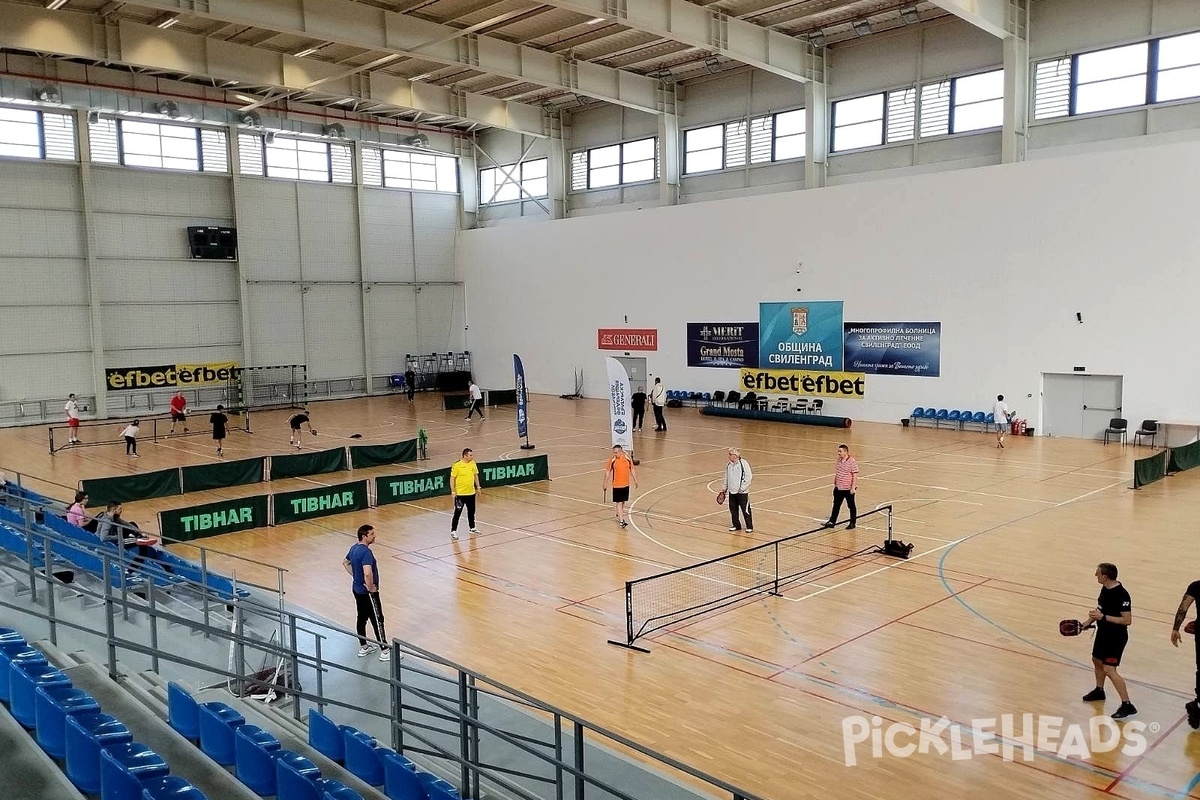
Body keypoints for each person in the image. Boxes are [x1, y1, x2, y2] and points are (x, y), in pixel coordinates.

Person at [1083, 562, 1136, 719]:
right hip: (1103, 633)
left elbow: (1127, 620)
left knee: (1109, 669)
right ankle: (1099, 691)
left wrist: (1103, 618)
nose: (1095, 575)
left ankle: (1127, 705)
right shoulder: (1105, 589)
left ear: (1105, 577)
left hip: (1116, 637)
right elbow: (1099, 609)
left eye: (1097, 573)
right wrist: (1086, 623)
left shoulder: (1122, 595)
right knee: (1096, 660)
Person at [342, 524, 390, 662]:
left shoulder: (353, 548)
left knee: (361, 617)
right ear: (364, 536)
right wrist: (371, 588)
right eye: (372, 534)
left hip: (357, 590)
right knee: (377, 618)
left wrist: (356, 577)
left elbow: (345, 562)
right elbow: (368, 573)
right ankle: (385, 650)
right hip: (368, 592)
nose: (374, 536)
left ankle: (363, 647)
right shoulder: (366, 553)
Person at [1170, 580, 1200, 729]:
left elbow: (1183, 608)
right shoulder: (1196, 586)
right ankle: (1197, 705)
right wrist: (1175, 628)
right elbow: (1183, 608)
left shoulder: (1196, 586)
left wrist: (1176, 628)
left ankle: (1197, 704)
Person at [823, 444, 858, 530]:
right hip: (838, 487)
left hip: (847, 489)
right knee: (836, 505)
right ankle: (832, 522)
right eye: (838, 451)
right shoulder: (838, 460)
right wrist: (835, 482)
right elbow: (837, 472)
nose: (838, 453)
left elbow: (855, 475)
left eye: (840, 451)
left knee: (851, 506)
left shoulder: (852, 462)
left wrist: (853, 488)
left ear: (845, 452)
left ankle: (852, 523)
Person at [603, 445, 638, 529]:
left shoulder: (627, 458)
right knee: (619, 502)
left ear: (620, 451)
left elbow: (632, 469)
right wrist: (605, 483)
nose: (615, 454)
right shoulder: (612, 460)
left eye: (616, 452)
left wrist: (635, 480)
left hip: (626, 484)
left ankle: (619, 514)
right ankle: (622, 521)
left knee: (623, 502)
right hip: (617, 485)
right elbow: (608, 472)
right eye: (614, 452)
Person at [450, 448, 481, 540]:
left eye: (472, 455)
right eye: (470, 455)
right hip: (460, 494)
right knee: (457, 513)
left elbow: (475, 475)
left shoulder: (473, 463)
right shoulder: (457, 465)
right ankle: (453, 531)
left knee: (471, 511)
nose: (472, 457)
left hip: (471, 493)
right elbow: (452, 479)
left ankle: (472, 528)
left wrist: (478, 487)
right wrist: (453, 491)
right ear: (465, 456)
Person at [724, 448, 754, 533]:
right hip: (732, 492)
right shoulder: (729, 465)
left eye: (730, 454)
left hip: (742, 493)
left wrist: (742, 488)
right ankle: (736, 525)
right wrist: (724, 487)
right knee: (733, 509)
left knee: (745, 510)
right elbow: (726, 477)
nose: (729, 456)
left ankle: (749, 526)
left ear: (735, 456)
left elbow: (748, 477)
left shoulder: (743, 464)